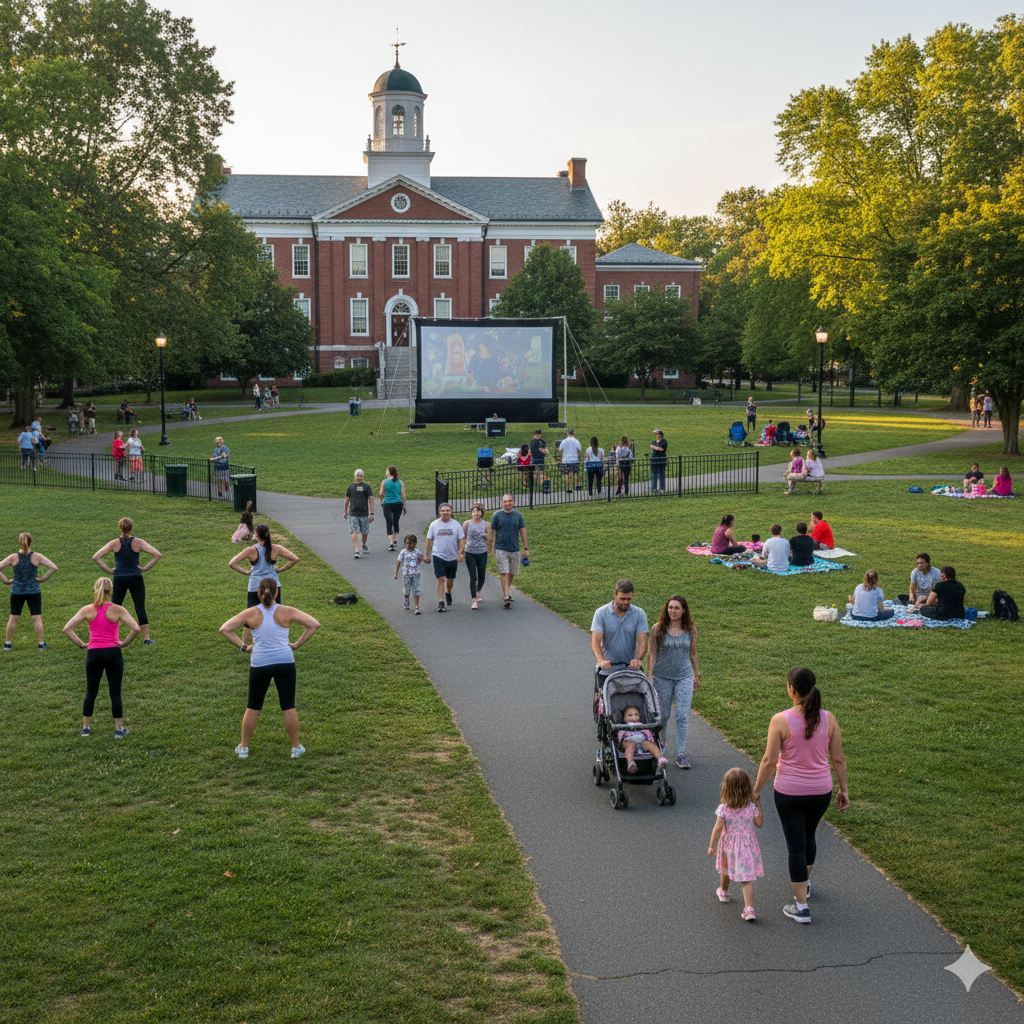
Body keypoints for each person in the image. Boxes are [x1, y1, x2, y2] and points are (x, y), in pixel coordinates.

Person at [753, 667, 849, 924]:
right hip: (821, 791)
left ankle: (801, 907)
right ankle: (804, 885)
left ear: (791, 690)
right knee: (808, 836)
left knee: (795, 846)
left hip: (789, 793)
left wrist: (756, 789)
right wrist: (844, 789)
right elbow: (837, 759)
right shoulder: (828, 718)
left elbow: (769, 760)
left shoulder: (780, 720)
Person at [218, 577, 320, 759]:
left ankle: (243, 748)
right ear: (276, 592)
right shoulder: (286, 611)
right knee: (288, 706)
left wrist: (244, 647)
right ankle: (296, 748)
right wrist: (296, 644)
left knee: (253, 707)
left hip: (260, 664)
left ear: (258, 593)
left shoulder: (250, 613)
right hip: (285, 662)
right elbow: (314, 624)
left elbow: (225, 629)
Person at [63, 577, 140, 739]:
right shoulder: (118, 610)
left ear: (95, 588)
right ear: (111, 591)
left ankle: (86, 728)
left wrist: (82, 644)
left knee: (91, 691)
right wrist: (123, 643)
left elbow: (67, 629)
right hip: (113, 653)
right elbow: (135, 628)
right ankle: (119, 730)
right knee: (115, 693)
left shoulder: (87, 610)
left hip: (94, 653)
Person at [648, 594, 700, 770]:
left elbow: (693, 653)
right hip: (661, 677)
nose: (673, 611)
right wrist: (649, 674)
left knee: (682, 715)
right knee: (663, 715)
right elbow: (652, 653)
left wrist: (697, 674)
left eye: (677, 608)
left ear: (683, 610)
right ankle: (660, 749)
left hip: (684, 677)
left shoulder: (690, 629)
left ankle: (681, 753)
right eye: (670, 607)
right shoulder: (658, 628)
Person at [92, 518, 162, 645]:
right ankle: (147, 639)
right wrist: (144, 568)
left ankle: (110, 637)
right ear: (131, 528)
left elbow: (96, 557)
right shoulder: (138, 542)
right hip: (136, 577)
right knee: (140, 608)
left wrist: (109, 570)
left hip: (119, 579)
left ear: (120, 528)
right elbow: (157, 555)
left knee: (114, 607)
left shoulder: (114, 543)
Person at [708, 768, 764, 922]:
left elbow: (717, 829)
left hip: (729, 847)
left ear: (726, 788)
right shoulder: (750, 807)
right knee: (746, 878)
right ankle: (748, 908)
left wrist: (712, 845)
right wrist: (758, 803)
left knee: (725, 869)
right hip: (746, 846)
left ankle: (724, 892)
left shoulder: (724, 809)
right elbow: (759, 823)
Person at [1, 533, 58, 650]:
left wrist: (6, 581)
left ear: (19, 543)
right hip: (33, 591)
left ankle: (8, 644)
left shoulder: (13, 557)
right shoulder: (37, 557)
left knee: (13, 617)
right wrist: (42, 579)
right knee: (36, 618)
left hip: (16, 591)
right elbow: (54, 567)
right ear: (31, 542)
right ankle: (41, 644)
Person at [590, 580, 648, 686]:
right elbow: (595, 641)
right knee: (604, 702)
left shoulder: (639, 614)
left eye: (629, 599)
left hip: (630, 669)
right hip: (607, 669)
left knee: (632, 702)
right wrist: (601, 660)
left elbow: (643, 641)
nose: (625, 602)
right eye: (622, 599)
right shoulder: (601, 613)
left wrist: (638, 659)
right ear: (615, 594)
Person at [424, 503, 466, 612]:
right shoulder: (434, 525)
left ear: (451, 512)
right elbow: (429, 540)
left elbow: (461, 539)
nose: (445, 513)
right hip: (438, 555)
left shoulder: (456, 525)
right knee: (440, 578)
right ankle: (441, 601)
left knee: (450, 579)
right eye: (443, 511)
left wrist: (460, 552)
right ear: (439, 512)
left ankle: (448, 592)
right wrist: (426, 554)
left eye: (447, 510)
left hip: (452, 556)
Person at [490, 493, 528, 610]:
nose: (507, 504)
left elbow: (523, 532)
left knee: (511, 573)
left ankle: (506, 591)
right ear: (502, 503)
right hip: (501, 548)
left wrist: (525, 549)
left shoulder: (518, 515)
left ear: (513, 502)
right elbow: (493, 531)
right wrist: (492, 546)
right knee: (504, 572)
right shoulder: (497, 515)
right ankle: (506, 596)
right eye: (505, 502)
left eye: (510, 501)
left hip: (515, 549)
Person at [617, 705, 668, 773]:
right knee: (630, 744)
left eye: (636, 715)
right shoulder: (624, 727)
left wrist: (651, 741)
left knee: (648, 743)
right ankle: (630, 762)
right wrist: (619, 742)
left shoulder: (641, 725)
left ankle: (660, 759)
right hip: (629, 744)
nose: (633, 717)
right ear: (624, 718)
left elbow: (648, 733)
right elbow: (619, 738)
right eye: (630, 715)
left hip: (642, 744)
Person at [462, 503, 492, 610]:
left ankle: (478, 591)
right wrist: (461, 551)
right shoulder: (466, 523)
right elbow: (463, 537)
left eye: (478, 511)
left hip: (482, 552)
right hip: (470, 552)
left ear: (481, 513)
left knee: (482, 575)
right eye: (474, 511)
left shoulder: (486, 524)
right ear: (471, 513)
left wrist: (483, 535)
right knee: (473, 576)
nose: (476, 513)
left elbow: (489, 539)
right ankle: (474, 600)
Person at [344, 469, 374, 558]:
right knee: (353, 531)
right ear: (355, 476)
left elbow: (371, 499)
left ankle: (364, 544)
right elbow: (347, 500)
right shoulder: (351, 487)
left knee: (365, 531)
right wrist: (345, 511)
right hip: (353, 513)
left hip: (364, 513)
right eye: (357, 476)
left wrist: (371, 513)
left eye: (360, 476)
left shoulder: (367, 487)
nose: (359, 478)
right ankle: (356, 550)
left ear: (363, 477)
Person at [394, 533, 424, 614]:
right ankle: (406, 600)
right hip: (406, 574)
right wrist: (396, 572)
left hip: (416, 574)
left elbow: (421, 559)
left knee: (416, 590)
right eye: (407, 543)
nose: (409, 545)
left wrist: (425, 559)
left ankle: (417, 607)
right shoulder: (403, 552)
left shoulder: (417, 552)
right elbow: (399, 562)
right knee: (406, 589)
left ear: (415, 544)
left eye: (411, 543)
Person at [378, 466, 406, 551]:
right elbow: (403, 495)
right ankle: (395, 539)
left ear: (389, 472)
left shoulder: (384, 482)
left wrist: (381, 501)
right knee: (396, 521)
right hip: (398, 503)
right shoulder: (400, 482)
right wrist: (404, 506)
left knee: (389, 522)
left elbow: (381, 493)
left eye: (386, 471)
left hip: (387, 503)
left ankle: (391, 542)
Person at [558, 427, 582, 493]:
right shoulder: (576, 441)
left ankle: (569, 487)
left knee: (567, 474)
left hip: (566, 460)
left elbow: (560, 450)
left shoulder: (564, 441)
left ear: (568, 433)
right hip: (574, 460)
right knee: (575, 473)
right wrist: (577, 456)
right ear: (573, 433)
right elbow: (579, 451)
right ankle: (579, 484)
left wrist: (563, 456)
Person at [649, 429, 668, 494]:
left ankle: (662, 488)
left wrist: (654, 447)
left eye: (658, 434)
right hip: (654, 460)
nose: (657, 435)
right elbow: (651, 445)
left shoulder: (664, 441)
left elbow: (661, 449)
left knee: (661, 474)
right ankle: (654, 488)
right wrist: (656, 447)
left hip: (661, 460)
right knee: (654, 475)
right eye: (656, 434)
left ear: (661, 435)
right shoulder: (654, 442)